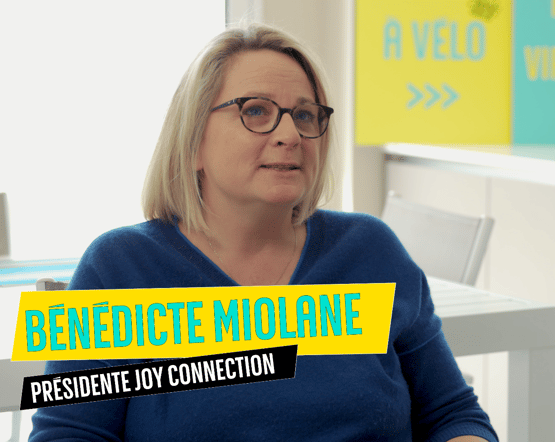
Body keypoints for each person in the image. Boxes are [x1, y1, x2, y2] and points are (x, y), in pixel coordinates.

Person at [29, 24, 498, 442]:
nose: (290, 134)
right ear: (193, 141)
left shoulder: (371, 251)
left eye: (306, 115)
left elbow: (452, 413)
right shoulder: (119, 268)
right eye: (255, 111)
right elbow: (69, 434)